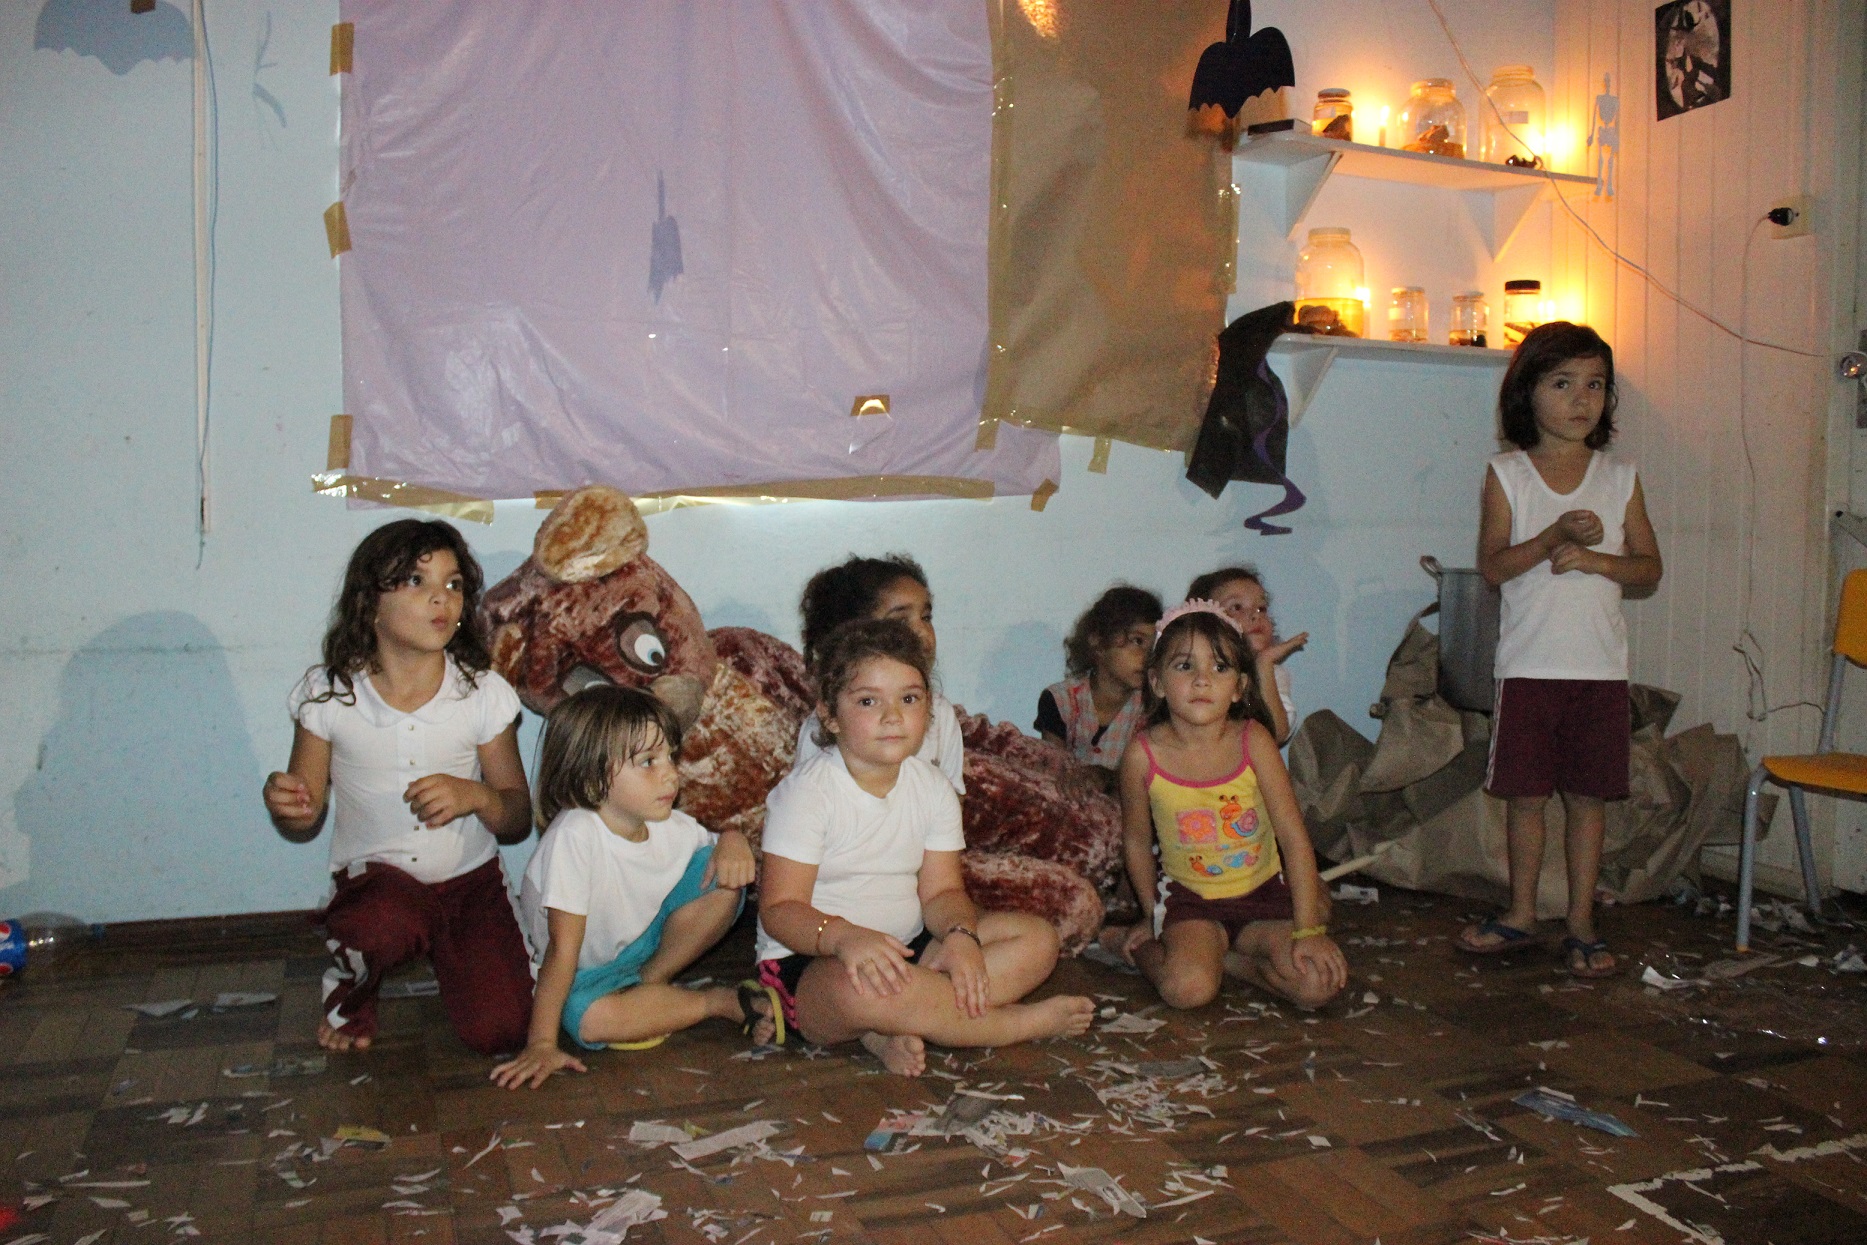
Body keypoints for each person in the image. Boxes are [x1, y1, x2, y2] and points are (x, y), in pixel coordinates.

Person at [755, 618, 1096, 1077]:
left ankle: (898, 1023)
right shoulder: (806, 795)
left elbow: (942, 892)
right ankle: (1009, 1024)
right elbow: (779, 909)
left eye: (909, 699)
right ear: (830, 715)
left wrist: (959, 936)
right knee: (864, 992)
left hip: (911, 948)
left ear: (929, 710)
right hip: (817, 961)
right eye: (868, 701)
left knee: (1037, 939)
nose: (893, 716)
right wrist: (845, 938)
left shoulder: (933, 787)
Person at [263, 520, 535, 1055]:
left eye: (454, 584)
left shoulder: (482, 693)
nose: (441, 597)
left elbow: (517, 815)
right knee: (382, 924)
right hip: (377, 885)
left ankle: (453, 953)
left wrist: (477, 797)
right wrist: (285, 801)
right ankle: (351, 984)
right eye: (416, 580)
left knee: (504, 1032)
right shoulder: (330, 694)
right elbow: (304, 814)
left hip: (470, 883)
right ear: (369, 604)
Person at [1456, 322, 1662, 978]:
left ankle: (1580, 922)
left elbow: (1648, 569)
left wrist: (1598, 561)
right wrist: (1549, 539)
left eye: (1595, 385)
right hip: (1528, 669)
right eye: (1563, 383)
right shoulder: (1508, 475)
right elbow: (1492, 566)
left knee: (1587, 800)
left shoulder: (1619, 477)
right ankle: (1521, 911)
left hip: (1598, 672)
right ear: (1526, 393)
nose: (1581, 399)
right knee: (1525, 799)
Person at [491, 686, 773, 1089]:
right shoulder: (575, 836)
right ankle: (716, 1001)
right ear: (591, 776)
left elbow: (715, 846)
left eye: (669, 756)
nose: (671, 773)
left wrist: (733, 839)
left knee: (725, 878)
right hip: (580, 971)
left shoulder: (667, 824)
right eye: (647, 762)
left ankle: (652, 983)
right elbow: (563, 949)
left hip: (640, 948)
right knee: (589, 1021)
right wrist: (541, 1044)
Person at [1111, 603, 1346, 1011]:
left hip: (1264, 897)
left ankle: (1228, 963)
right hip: (1191, 904)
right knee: (1188, 990)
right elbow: (1135, 842)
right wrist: (1152, 914)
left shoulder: (1254, 741)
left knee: (1317, 985)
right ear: (1158, 683)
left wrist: (1309, 930)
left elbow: (1293, 838)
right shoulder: (1141, 755)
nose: (1202, 679)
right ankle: (1134, 948)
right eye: (1185, 666)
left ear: (1239, 687)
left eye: (1219, 667)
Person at [792, 554, 964, 792]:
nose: (922, 632)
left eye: (926, 617)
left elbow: (952, 797)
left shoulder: (942, 715)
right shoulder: (830, 720)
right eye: (900, 621)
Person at [1035, 585, 1162, 789]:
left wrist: (1107, 778)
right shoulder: (1060, 700)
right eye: (1137, 641)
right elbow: (1053, 772)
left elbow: (1150, 778)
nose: (1148, 657)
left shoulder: (1153, 707)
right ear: (1099, 642)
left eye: (1153, 648)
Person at [1186, 567, 1306, 745]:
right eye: (1236, 607)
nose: (1254, 616)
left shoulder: (1273, 674)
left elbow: (1277, 734)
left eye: (1261, 608)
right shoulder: (1192, 672)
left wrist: (1264, 665)